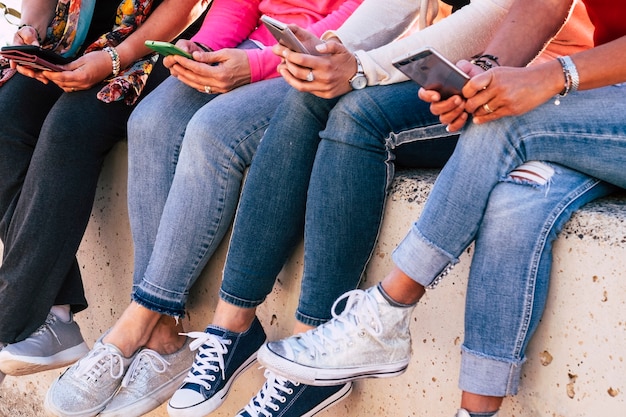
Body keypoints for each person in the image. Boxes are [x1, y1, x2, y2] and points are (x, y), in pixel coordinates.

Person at [170, 1, 598, 417]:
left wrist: (361, 67)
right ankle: (232, 328)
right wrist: (330, 50)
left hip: (539, 83)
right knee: (310, 93)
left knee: (358, 114)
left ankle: (313, 351)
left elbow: (497, 10)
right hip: (467, 69)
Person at [42, 1, 364, 417]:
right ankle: (162, 338)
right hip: (244, 51)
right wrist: (201, 51)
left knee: (211, 133)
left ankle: (136, 322)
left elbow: (362, 20)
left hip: (318, 64)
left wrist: (255, 64)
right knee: (151, 122)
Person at [0, 0, 205, 385]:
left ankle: (8, 323)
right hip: (75, 38)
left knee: (71, 125)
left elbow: (187, 6)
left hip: (158, 46)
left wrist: (115, 58)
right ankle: (55, 311)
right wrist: (32, 29)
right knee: (3, 117)